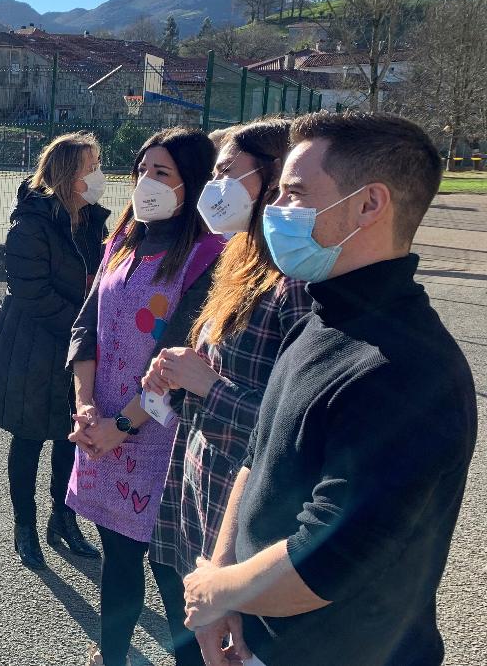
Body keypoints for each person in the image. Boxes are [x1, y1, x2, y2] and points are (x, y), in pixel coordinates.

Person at [183, 113, 477, 666]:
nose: (274, 210)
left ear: (370, 205)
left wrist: (211, 592)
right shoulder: (318, 317)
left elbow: (327, 558)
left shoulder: (406, 372)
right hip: (259, 639)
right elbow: (257, 454)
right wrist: (221, 577)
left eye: (294, 194)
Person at [138, 119, 311, 657]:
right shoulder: (241, 259)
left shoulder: (298, 285)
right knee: (188, 632)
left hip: (241, 524)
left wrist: (207, 388)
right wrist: (175, 375)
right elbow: (214, 366)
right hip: (199, 491)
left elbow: (298, 431)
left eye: (226, 172)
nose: (215, 187)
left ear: (274, 178)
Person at [65, 127, 224, 666]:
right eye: (141, 171)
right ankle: (111, 655)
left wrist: (122, 427)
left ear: (193, 184)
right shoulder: (122, 242)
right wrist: (87, 405)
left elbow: (183, 363)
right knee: (118, 556)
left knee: (171, 571)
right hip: (104, 423)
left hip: (163, 437)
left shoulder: (209, 255)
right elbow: (87, 327)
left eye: (163, 173)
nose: (146, 183)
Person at [0, 132, 108, 568]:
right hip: (32, 347)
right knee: (29, 436)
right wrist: (82, 327)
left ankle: (63, 518)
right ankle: (25, 526)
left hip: (73, 347)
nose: (99, 176)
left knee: (69, 437)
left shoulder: (92, 220)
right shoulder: (31, 223)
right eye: (91, 167)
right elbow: (31, 292)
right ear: (69, 173)